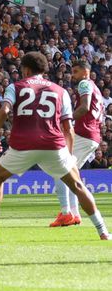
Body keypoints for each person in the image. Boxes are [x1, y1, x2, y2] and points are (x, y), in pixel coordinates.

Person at [0, 52, 109, 241]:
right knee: (78, 185)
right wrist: (68, 153)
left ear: (26, 69)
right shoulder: (60, 91)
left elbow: (4, 110)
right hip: (53, 145)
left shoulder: (15, 87)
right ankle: (103, 231)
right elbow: (68, 127)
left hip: (22, 145)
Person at [50, 60, 104, 227]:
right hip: (93, 135)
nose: (73, 75)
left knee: (60, 169)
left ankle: (66, 213)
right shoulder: (96, 87)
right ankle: (74, 214)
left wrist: (67, 120)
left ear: (85, 72)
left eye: (75, 71)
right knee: (72, 174)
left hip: (84, 133)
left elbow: (85, 107)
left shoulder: (84, 84)